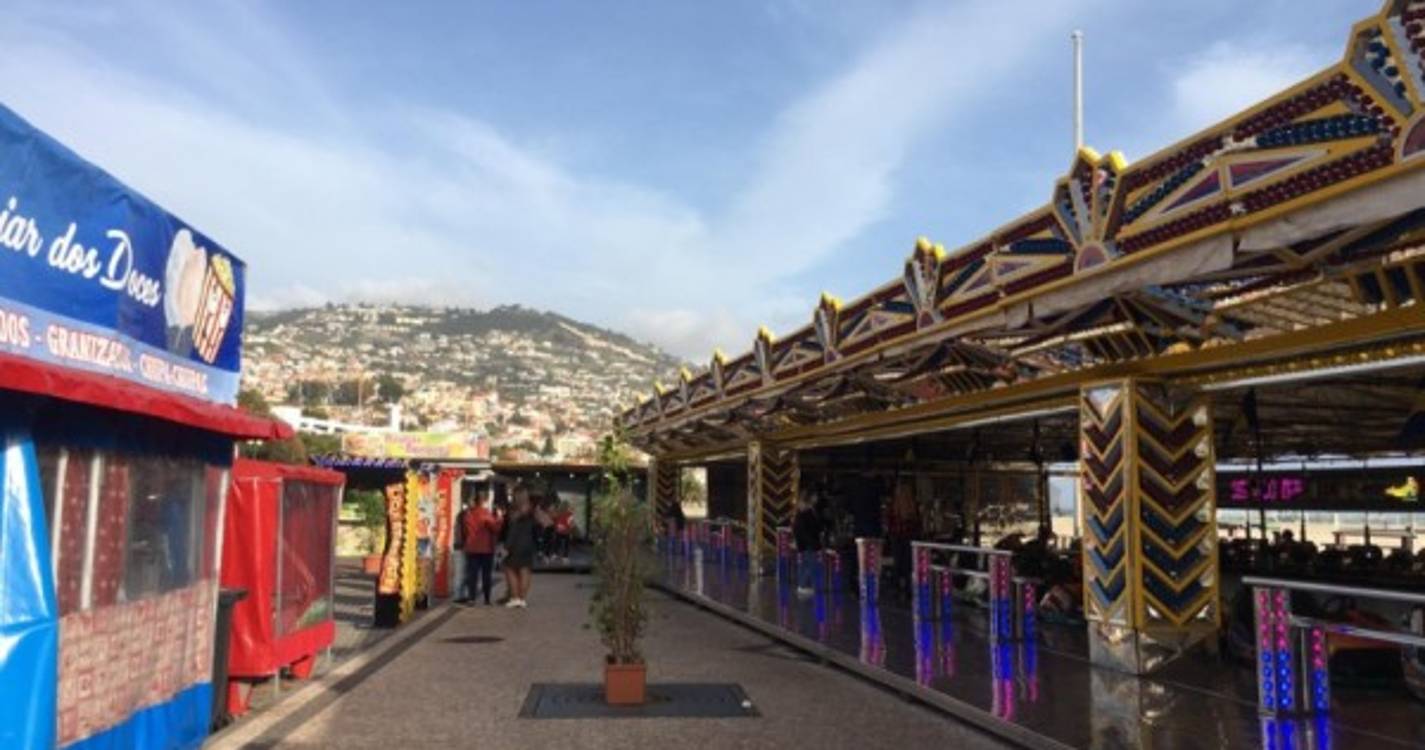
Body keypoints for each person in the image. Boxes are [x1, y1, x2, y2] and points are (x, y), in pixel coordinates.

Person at [503, 483, 552, 608]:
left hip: (515, 544)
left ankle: (515, 597)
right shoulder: (532, 508)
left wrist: (507, 547)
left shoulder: (515, 509)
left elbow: (513, 530)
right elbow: (548, 523)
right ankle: (522, 598)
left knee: (510, 569)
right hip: (528, 544)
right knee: (525, 570)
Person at [459, 491, 502, 606]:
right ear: (485, 501)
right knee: (486, 575)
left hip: (471, 548)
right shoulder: (486, 514)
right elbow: (495, 528)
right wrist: (499, 518)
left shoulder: (468, 514)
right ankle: (487, 599)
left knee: (472, 574)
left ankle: (471, 598)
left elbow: (464, 531)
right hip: (486, 548)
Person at [793, 488, 823, 598]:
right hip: (808, 544)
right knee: (809, 565)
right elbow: (802, 530)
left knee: (807, 564)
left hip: (808, 543)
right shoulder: (804, 513)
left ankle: (805, 585)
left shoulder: (807, 511)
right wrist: (812, 542)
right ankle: (803, 585)